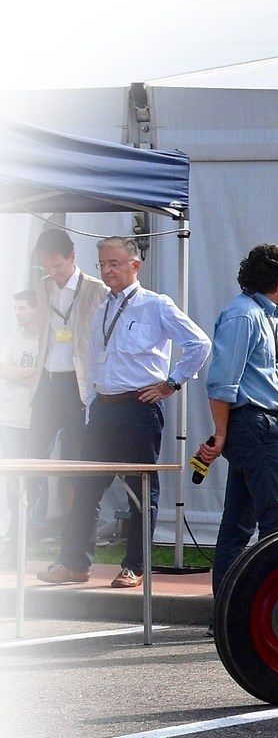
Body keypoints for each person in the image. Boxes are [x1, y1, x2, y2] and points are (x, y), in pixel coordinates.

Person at [42, 236, 209, 588]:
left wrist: (172, 383)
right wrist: (90, 402)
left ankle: (135, 565)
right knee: (85, 485)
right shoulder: (102, 306)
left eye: (114, 263)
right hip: (104, 406)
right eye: (102, 263)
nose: (107, 270)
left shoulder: (156, 305)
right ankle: (74, 562)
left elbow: (199, 343)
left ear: (135, 265)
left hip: (138, 407)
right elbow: (92, 359)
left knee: (140, 489)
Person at [195, 244, 278, 595]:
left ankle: (227, 609)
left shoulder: (259, 312)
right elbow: (222, 381)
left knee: (238, 525)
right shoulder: (245, 315)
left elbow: (267, 373)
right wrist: (221, 434)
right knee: (276, 521)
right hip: (253, 426)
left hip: (254, 424)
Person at [28, 228, 105, 542]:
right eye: (46, 266)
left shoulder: (95, 289)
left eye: (57, 266)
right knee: (31, 459)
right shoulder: (43, 287)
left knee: (77, 463)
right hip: (46, 382)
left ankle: (75, 536)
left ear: (73, 257)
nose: (52, 272)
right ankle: (23, 531)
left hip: (78, 386)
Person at [1, 291, 38, 548]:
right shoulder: (11, 340)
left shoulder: (43, 342)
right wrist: (32, 374)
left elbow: (46, 374)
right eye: (16, 308)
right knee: (12, 478)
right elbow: (5, 370)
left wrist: (21, 373)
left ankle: (29, 530)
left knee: (34, 479)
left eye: (23, 308)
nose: (17, 312)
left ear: (36, 310)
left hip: (35, 421)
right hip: (10, 418)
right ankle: (13, 531)